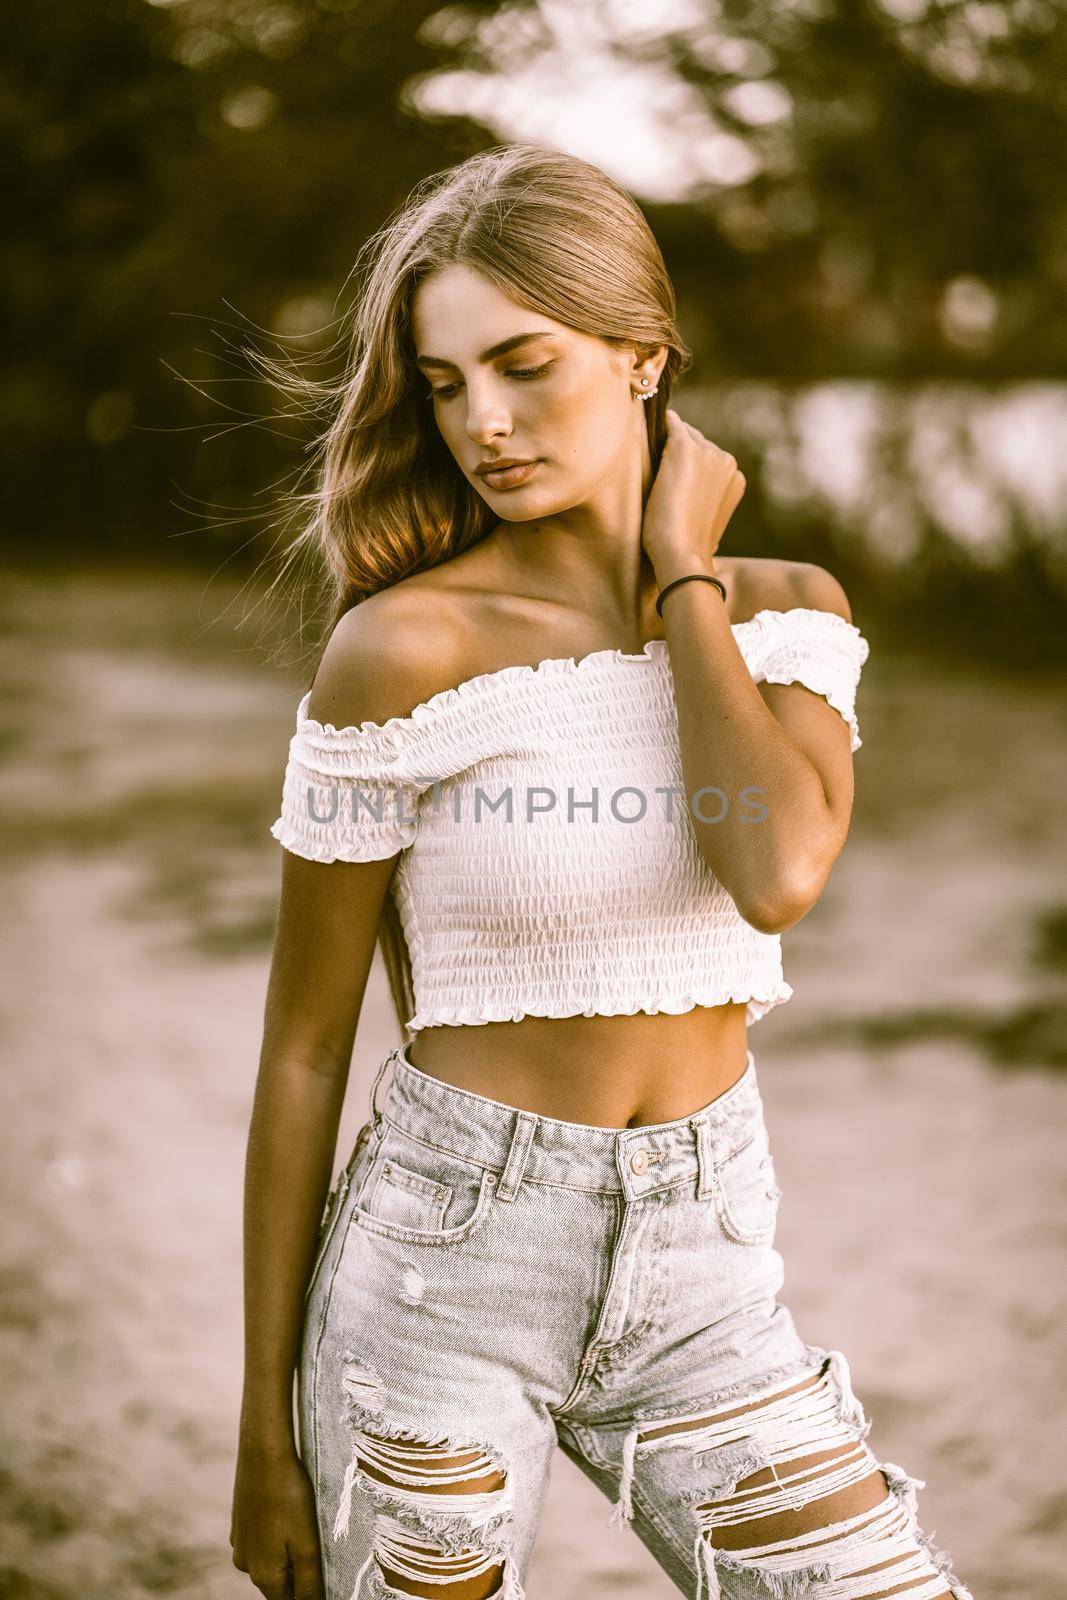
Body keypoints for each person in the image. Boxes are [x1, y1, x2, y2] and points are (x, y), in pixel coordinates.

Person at [230, 144, 973, 1600]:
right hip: (443, 1269)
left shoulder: (788, 620)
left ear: (643, 357)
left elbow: (771, 868)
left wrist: (683, 573)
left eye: (525, 366)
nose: (484, 426)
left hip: (706, 1274)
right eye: (444, 387)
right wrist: (263, 1427)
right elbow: (308, 1044)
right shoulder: (402, 652)